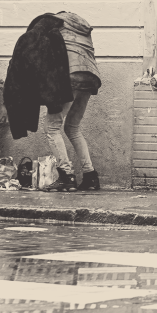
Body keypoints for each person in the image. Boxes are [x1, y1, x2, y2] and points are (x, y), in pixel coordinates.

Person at [44, 12, 102, 191]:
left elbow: (49, 57)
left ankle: (66, 175)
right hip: (90, 77)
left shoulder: (56, 27)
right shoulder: (82, 31)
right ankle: (90, 176)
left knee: (51, 127)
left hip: (70, 78)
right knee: (72, 127)